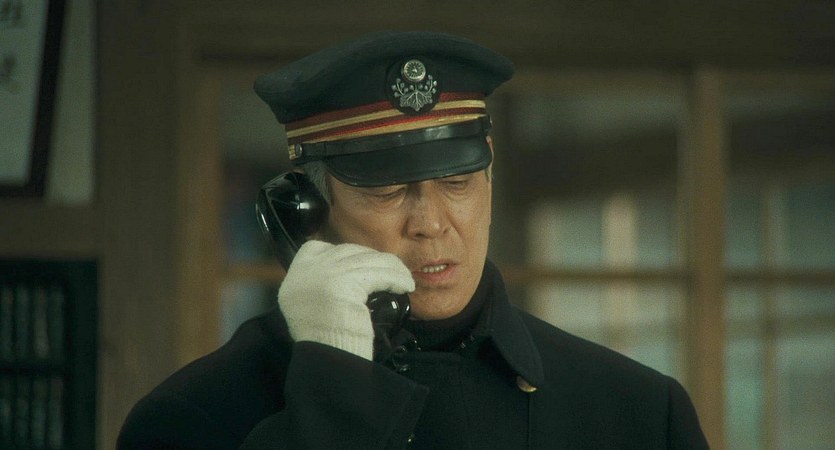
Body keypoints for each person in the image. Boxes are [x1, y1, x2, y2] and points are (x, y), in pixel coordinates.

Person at [118, 31, 709, 449]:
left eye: (457, 182)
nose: (430, 222)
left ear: (490, 171)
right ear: (304, 208)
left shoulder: (637, 411)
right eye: (387, 190)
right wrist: (333, 395)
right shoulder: (189, 420)